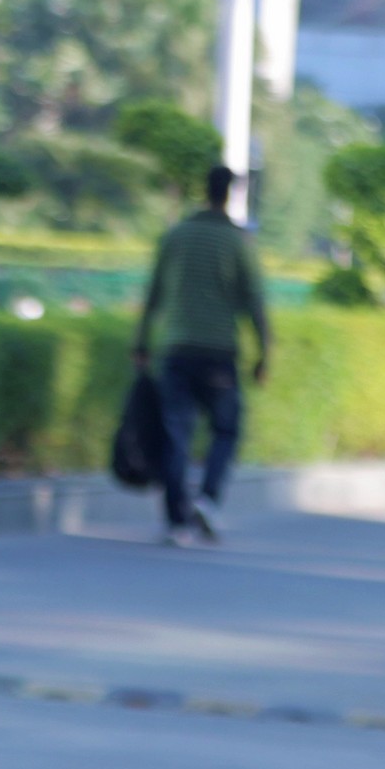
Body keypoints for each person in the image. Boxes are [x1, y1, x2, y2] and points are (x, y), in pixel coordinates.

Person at [133, 163, 272, 546]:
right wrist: (264, 351)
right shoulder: (237, 242)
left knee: (176, 433)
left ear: (203, 189)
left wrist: (141, 343)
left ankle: (176, 520)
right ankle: (207, 499)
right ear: (229, 194)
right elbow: (254, 301)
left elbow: (154, 294)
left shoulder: (176, 236)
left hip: (176, 349)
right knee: (225, 430)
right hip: (219, 354)